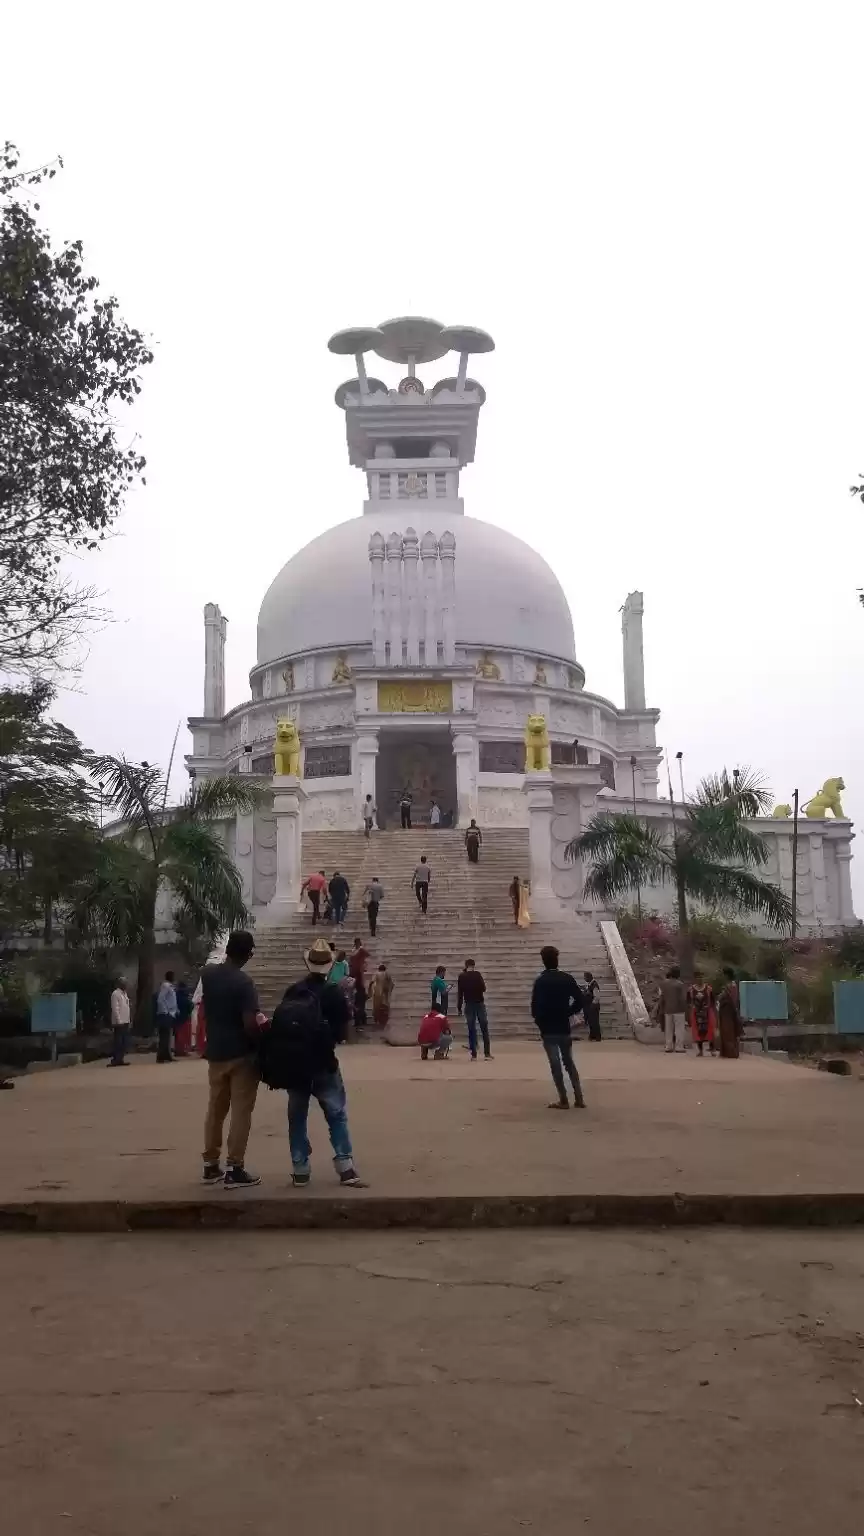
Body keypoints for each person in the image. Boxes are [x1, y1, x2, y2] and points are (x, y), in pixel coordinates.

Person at [258, 937, 364, 1187]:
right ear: (329, 965)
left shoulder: (294, 990)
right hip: (323, 1062)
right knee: (336, 1114)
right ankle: (345, 1167)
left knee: (297, 1116)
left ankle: (301, 1168)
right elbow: (342, 1033)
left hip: (294, 1064)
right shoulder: (333, 993)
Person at [200, 931, 262, 1187]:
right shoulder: (244, 983)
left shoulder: (208, 974)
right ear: (247, 954)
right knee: (240, 1112)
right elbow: (249, 1023)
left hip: (215, 1051)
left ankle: (210, 1164)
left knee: (216, 1109)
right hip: (240, 1054)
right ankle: (234, 1167)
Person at [530, 945, 586, 1108]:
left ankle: (563, 1099)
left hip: (548, 1029)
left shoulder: (541, 981)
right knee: (569, 1062)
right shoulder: (566, 978)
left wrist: (539, 1020)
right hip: (563, 1027)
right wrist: (568, 1012)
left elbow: (534, 1007)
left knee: (555, 1065)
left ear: (543, 961)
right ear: (557, 959)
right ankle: (579, 1098)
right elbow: (580, 1000)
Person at [457, 958, 492, 1060]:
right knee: (484, 1028)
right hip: (479, 1004)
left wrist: (459, 1007)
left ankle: (474, 1055)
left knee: (471, 1029)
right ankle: (487, 1054)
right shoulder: (477, 975)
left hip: (469, 1005)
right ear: (473, 965)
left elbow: (460, 994)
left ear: (466, 965)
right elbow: (484, 988)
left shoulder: (462, 977)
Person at [657, 966, 689, 1053]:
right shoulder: (680, 984)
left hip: (668, 1009)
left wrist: (661, 1008)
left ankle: (668, 1046)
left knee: (668, 1029)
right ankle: (679, 1047)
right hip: (679, 1009)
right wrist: (686, 1009)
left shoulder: (663, 984)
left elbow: (662, 997)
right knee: (679, 1029)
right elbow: (683, 998)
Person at [688, 972, 717, 1056]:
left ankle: (712, 1049)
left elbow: (713, 1000)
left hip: (707, 1012)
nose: (700, 979)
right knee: (698, 1031)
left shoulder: (708, 989)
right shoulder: (691, 989)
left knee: (710, 1031)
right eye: (698, 978)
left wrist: (710, 1009)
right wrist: (692, 1007)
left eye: (701, 977)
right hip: (696, 1012)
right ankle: (700, 1050)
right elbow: (688, 1001)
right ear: (695, 979)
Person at [717, 967, 743, 1058]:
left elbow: (733, 999)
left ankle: (731, 1052)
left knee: (729, 1032)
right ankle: (726, 1052)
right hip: (724, 1011)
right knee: (725, 1031)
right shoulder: (728, 985)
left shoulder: (732, 985)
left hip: (729, 1011)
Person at [156, 971, 178, 1062]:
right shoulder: (166, 986)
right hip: (165, 1014)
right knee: (164, 1036)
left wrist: (176, 1009)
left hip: (171, 1013)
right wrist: (166, 1011)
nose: (174, 978)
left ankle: (167, 1055)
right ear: (169, 977)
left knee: (168, 1035)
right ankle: (161, 1056)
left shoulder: (170, 986)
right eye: (173, 976)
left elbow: (171, 1000)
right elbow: (160, 999)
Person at [108, 977, 130, 1067]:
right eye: (124, 983)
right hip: (119, 1022)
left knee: (124, 1041)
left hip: (125, 1020)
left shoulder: (124, 994)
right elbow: (115, 1008)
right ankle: (116, 1059)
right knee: (118, 1041)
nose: (126, 985)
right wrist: (118, 1020)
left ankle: (120, 1059)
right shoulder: (115, 994)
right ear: (120, 984)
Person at [348, 937, 370, 1031]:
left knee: (360, 1003)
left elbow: (367, 955)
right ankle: (360, 1020)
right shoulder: (353, 950)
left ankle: (361, 1020)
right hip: (355, 979)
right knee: (357, 1003)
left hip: (359, 980)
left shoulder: (361, 950)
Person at [369, 963, 394, 1029]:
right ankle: (385, 1018)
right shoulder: (387, 974)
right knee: (386, 1005)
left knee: (376, 1007)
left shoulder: (377, 974)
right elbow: (392, 984)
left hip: (377, 994)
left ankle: (376, 1019)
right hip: (385, 994)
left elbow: (372, 982)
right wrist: (389, 992)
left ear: (379, 969)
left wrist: (369, 989)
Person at [173, 978, 194, 1056]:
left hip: (176, 1017)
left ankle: (178, 1050)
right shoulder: (184, 996)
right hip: (184, 1017)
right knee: (183, 1035)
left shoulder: (175, 995)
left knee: (178, 1035)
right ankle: (181, 1051)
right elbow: (190, 1005)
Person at [582, 972, 601, 1041]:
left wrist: (592, 1005)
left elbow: (597, 997)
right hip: (590, 1006)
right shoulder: (590, 984)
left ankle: (598, 1037)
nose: (584, 978)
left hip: (593, 1006)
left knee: (595, 1022)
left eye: (585, 977)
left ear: (588, 977)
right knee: (591, 1022)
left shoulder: (594, 985)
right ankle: (593, 1036)